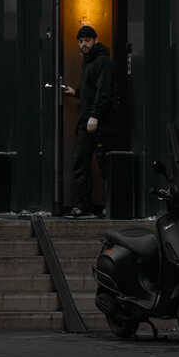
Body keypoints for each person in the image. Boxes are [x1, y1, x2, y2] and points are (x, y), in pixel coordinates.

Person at [63, 25, 115, 217]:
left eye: (86, 40)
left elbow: (104, 92)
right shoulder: (88, 63)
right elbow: (92, 90)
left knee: (104, 164)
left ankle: (110, 204)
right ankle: (82, 205)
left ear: (95, 40)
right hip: (87, 120)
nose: (83, 44)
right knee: (81, 162)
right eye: (80, 41)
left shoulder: (103, 62)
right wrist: (75, 92)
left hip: (98, 122)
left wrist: (95, 116)